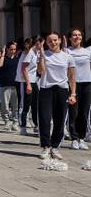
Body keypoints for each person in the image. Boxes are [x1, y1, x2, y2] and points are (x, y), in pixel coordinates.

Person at [37, 32, 76, 160]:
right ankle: (45, 146)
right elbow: (41, 71)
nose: (53, 43)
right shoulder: (43, 55)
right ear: (46, 43)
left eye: (55, 40)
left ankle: (55, 147)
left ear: (59, 40)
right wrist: (42, 55)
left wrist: (73, 93)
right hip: (46, 89)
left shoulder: (67, 56)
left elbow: (71, 77)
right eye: (49, 41)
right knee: (44, 118)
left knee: (60, 120)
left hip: (62, 90)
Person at [66, 29, 90, 149]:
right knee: (73, 112)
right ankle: (74, 138)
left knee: (84, 112)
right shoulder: (66, 51)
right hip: (72, 85)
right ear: (70, 38)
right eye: (74, 35)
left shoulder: (87, 52)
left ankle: (82, 138)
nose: (77, 37)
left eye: (79, 35)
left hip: (87, 84)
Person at [18, 36, 42, 135]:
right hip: (25, 81)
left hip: (34, 81)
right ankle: (23, 126)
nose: (40, 46)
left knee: (35, 104)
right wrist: (28, 84)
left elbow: (39, 70)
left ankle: (36, 124)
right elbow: (24, 69)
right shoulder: (28, 53)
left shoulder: (36, 53)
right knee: (25, 105)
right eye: (39, 43)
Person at [0, 41, 21, 132]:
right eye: (11, 49)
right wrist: (3, 54)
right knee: (5, 105)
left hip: (15, 85)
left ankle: (15, 122)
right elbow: (0, 65)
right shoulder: (3, 58)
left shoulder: (17, 59)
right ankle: (7, 121)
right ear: (7, 49)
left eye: (14, 49)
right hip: (5, 85)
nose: (13, 51)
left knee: (15, 106)